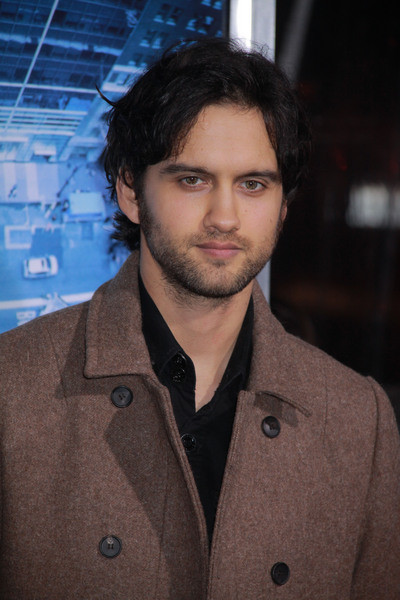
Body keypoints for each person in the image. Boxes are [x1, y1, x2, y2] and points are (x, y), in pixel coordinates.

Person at [0, 38, 399, 600]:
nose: (225, 217)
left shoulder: (359, 419)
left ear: (283, 206)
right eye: (193, 180)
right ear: (131, 191)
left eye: (253, 184)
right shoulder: (12, 390)